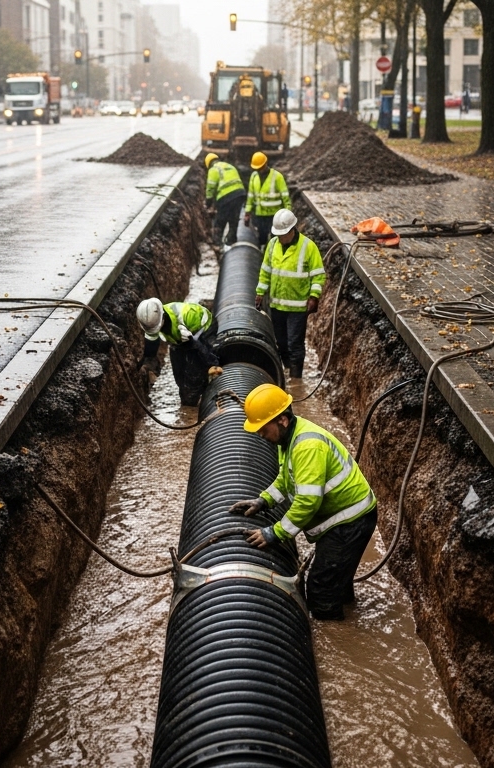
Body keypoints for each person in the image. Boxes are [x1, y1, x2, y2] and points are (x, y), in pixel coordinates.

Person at [229, 383, 377, 621]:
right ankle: (347, 610)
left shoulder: (307, 446)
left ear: (282, 420)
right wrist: (263, 501)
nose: (259, 434)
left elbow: (307, 502)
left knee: (320, 590)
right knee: (337, 578)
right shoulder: (287, 441)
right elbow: (286, 478)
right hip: (343, 519)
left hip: (350, 522)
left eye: (262, 427)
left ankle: (337, 634)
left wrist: (274, 533)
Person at [255, 209, 322, 380]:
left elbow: (318, 275)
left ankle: (296, 378)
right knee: (282, 343)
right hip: (277, 304)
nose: (281, 237)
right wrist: (260, 292)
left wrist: (314, 296)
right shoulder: (272, 244)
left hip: (298, 307)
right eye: (278, 234)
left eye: (283, 234)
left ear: (293, 229)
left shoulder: (308, 247)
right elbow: (265, 270)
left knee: (295, 343)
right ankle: (287, 369)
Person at [136, 298, 219, 407]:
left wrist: (210, 363)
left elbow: (200, 347)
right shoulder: (152, 320)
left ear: (162, 318)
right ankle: (188, 396)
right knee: (180, 376)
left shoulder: (185, 317)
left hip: (203, 329)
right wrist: (145, 362)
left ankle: (203, 392)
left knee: (195, 378)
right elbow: (151, 343)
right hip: (180, 338)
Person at [244, 151, 290, 242]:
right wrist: (247, 213)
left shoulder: (277, 177)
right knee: (262, 237)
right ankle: (263, 252)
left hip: (274, 215)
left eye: (260, 168)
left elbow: (285, 196)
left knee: (275, 238)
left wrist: (288, 214)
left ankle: (273, 254)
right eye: (257, 169)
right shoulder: (254, 176)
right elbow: (250, 197)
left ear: (265, 164)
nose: (259, 170)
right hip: (260, 215)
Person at [204, 153, 246, 247]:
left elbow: (210, 187)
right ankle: (232, 240)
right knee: (234, 219)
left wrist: (208, 202)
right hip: (240, 194)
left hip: (226, 196)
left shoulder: (213, 169)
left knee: (220, 220)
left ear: (209, 163)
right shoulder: (230, 166)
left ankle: (217, 244)